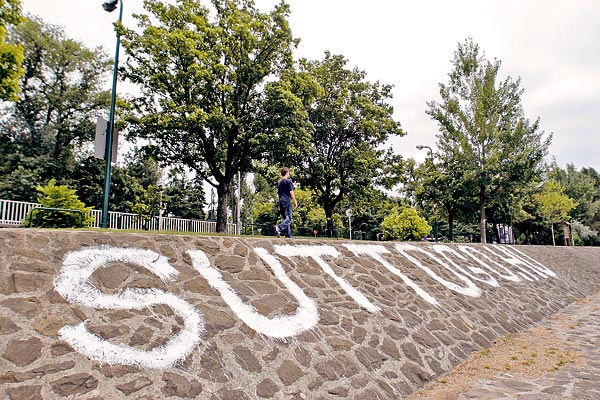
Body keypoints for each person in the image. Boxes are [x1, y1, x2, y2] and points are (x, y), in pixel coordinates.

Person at [274, 167, 298, 238]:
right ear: (287, 173)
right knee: (289, 218)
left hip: (281, 201)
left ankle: (288, 235)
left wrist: (279, 203)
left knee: (285, 219)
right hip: (287, 201)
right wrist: (295, 201)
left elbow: (279, 194)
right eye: (289, 172)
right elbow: (291, 192)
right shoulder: (288, 181)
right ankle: (279, 228)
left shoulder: (280, 183)